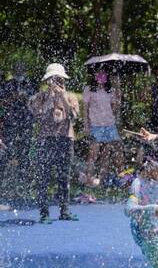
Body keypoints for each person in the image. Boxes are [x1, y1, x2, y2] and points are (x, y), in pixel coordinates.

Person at [29, 63, 80, 223]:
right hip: (46, 140)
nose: (57, 83)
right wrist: (50, 98)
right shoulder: (41, 97)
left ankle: (64, 210)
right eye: (53, 79)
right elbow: (39, 115)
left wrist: (63, 98)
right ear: (47, 81)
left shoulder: (70, 97)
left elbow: (73, 117)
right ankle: (44, 213)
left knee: (64, 177)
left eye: (59, 79)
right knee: (43, 176)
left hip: (65, 139)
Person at [0, 62, 36, 203]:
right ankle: (2, 186)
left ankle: (22, 187)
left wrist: (26, 99)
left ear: (26, 70)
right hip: (10, 123)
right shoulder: (7, 85)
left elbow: (36, 102)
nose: (20, 70)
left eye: (22, 68)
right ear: (13, 70)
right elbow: (1, 102)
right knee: (6, 153)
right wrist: (13, 97)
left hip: (26, 123)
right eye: (17, 68)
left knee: (24, 154)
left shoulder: (31, 85)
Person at [82, 69, 122, 187]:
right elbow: (85, 109)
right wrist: (86, 125)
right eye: (98, 73)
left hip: (109, 124)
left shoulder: (110, 90)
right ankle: (89, 179)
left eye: (103, 73)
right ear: (94, 75)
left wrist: (118, 96)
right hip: (95, 124)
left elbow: (114, 108)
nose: (101, 75)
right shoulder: (88, 89)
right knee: (93, 153)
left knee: (106, 153)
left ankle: (102, 180)